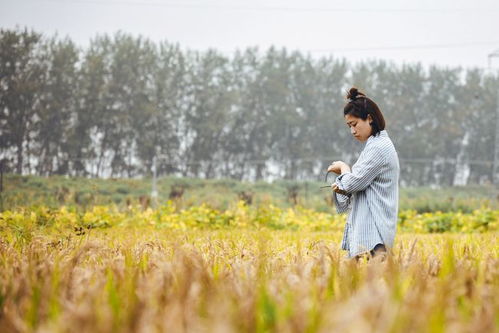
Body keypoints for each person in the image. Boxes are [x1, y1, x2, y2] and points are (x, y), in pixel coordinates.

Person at [327, 87, 400, 261]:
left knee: (365, 284)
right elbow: (355, 183)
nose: (352, 131)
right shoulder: (375, 144)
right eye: (349, 126)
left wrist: (344, 169)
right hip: (371, 234)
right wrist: (343, 183)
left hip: (373, 235)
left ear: (369, 119)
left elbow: (353, 183)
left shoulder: (378, 148)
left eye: (354, 124)